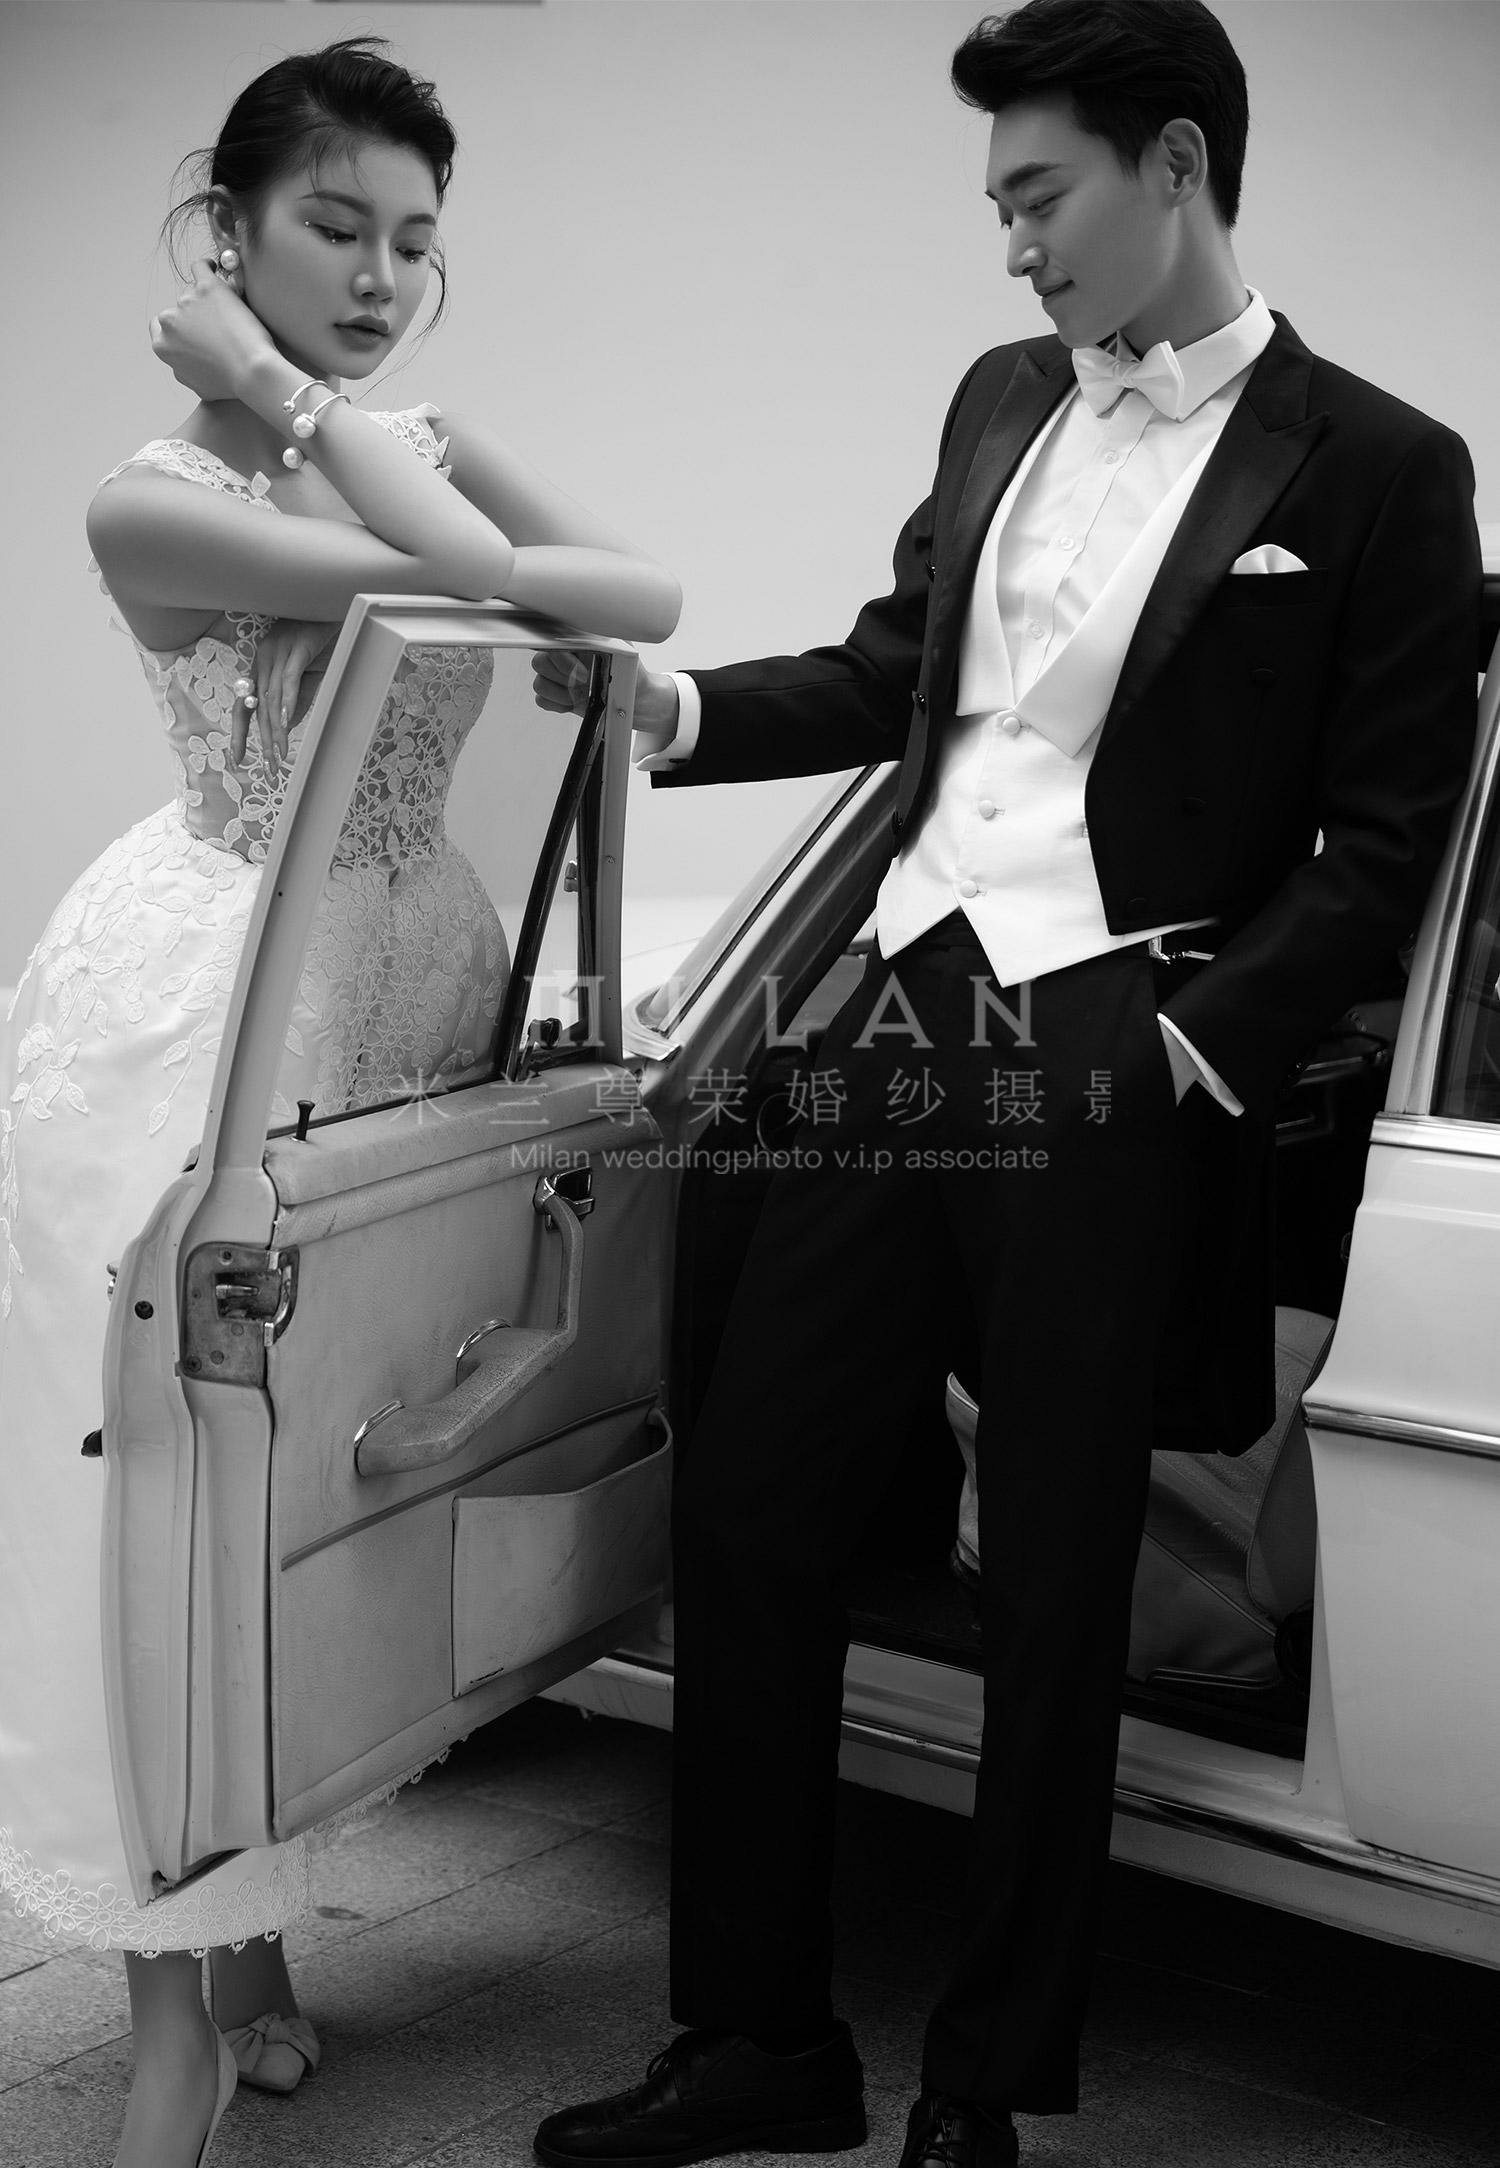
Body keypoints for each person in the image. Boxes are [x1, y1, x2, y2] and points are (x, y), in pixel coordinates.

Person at [531, 3, 1480, 2164]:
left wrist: (1181, 1051)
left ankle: (981, 2086)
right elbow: (904, 671)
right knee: (756, 1507)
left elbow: (1385, 840)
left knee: (1051, 1582)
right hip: (903, 1007)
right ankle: (760, 2042)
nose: (1014, 246)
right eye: (1000, 208)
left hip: (1106, 1041)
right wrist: (678, 712)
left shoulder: (1381, 464)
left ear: (1177, 164)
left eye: (1039, 196)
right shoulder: (996, 399)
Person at [0, 36, 679, 2168]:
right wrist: (311, 428)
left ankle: (255, 1948)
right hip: (208, 1017)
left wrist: (334, 417)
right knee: (170, 1497)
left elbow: (637, 604)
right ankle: (173, 2018)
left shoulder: (395, 448)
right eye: (334, 228)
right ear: (225, 234)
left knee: (325, 1479)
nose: (382, 279)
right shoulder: (155, 504)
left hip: (402, 1004)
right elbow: (486, 595)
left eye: (415, 242)